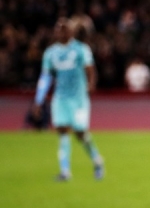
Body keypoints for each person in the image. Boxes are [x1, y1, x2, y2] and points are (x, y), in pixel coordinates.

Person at [32, 17, 105, 181]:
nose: (62, 32)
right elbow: (45, 77)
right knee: (62, 130)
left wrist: (91, 84)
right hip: (61, 98)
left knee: (80, 132)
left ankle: (97, 160)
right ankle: (65, 171)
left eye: (65, 29)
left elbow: (90, 69)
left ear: (71, 32)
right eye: (59, 29)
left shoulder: (81, 49)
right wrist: (39, 99)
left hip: (79, 98)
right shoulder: (51, 53)